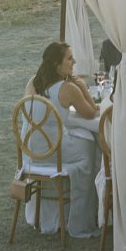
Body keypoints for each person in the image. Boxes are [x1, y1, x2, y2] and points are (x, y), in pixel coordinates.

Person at [22, 42, 100, 237]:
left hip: (31, 155)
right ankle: (83, 217)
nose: (74, 62)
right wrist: (82, 87)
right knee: (90, 148)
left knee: (80, 142)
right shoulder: (68, 88)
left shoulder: (33, 82)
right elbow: (91, 114)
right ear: (58, 65)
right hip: (52, 156)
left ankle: (56, 214)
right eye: (69, 58)